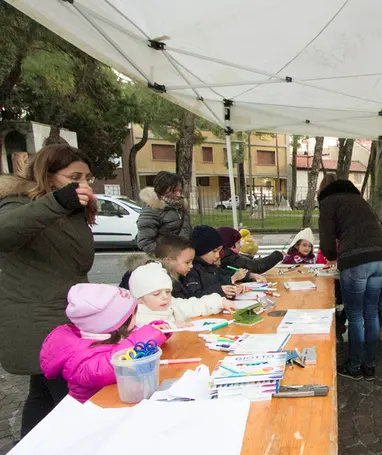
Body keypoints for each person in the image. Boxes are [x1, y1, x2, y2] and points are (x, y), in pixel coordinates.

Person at [0, 144, 96, 437]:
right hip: (38, 321)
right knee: (75, 401)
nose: (85, 185)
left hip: (61, 317)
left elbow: (74, 263)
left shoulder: (69, 211)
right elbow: (5, 232)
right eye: (74, 176)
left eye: (88, 177)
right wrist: (57, 202)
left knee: (41, 394)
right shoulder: (17, 203)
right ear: (48, 175)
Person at [39, 284, 169, 403]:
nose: (136, 318)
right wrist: (148, 337)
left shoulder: (114, 335)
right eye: (133, 315)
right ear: (117, 324)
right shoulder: (80, 358)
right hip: (96, 413)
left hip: (119, 401)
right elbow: (110, 367)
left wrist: (156, 331)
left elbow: (135, 338)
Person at [318, 178, 382, 381]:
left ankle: (355, 366)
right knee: (371, 313)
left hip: (356, 260)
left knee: (356, 315)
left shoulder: (328, 202)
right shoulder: (360, 200)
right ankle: (370, 365)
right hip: (381, 258)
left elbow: (326, 240)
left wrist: (332, 257)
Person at [129, 261, 233, 326]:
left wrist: (219, 302)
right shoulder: (135, 318)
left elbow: (192, 305)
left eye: (168, 291)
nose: (165, 297)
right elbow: (144, 333)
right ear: (139, 299)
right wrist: (171, 326)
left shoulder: (172, 305)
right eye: (156, 294)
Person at [136, 171, 192, 255]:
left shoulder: (180, 207)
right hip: (167, 260)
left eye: (180, 190)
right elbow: (145, 242)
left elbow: (186, 232)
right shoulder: (151, 210)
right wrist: (166, 256)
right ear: (162, 190)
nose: (178, 194)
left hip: (183, 257)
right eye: (174, 191)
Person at [184, 225, 247, 299]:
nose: (217, 256)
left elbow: (222, 280)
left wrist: (233, 288)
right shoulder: (191, 270)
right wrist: (222, 289)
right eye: (214, 251)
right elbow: (196, 296)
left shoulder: (212, 266)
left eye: (219, 251)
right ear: (202, 249)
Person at [219, 226, 284, 275]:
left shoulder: (226, 255)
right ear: (230, 244)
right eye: (238, 242)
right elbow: (257, 266)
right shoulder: (230, 258)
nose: (241, 245)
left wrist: (250, 275)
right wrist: (278, 255)